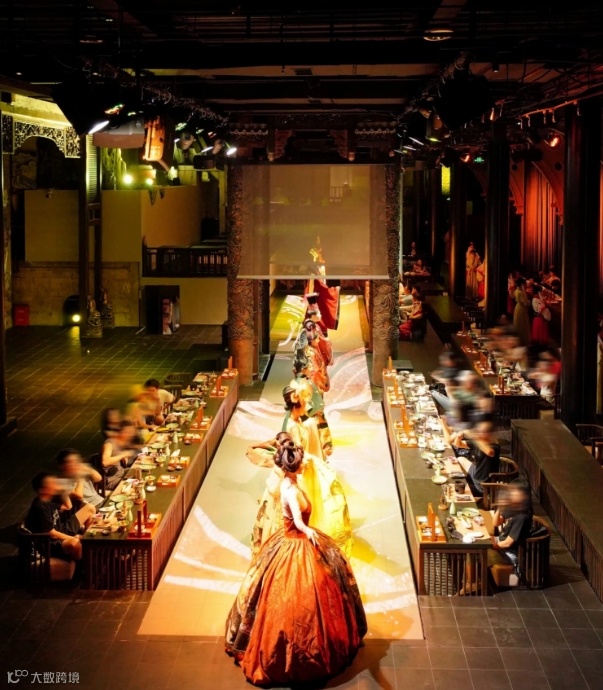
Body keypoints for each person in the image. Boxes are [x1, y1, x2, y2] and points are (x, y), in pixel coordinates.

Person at [225, 441, 367, 687]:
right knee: (295, 597)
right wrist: (309, 532)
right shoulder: (289, 490)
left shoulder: (292, 482)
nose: (304, 464)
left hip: (298, 539)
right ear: (293, 467)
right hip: (296, 542)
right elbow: (298, 521)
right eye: (301, 462)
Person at [283, 380, 353, 557]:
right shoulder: (294, 427)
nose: (308, 405)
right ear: (298, 403)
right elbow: (299, 453)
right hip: (305, 470)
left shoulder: (298, 422)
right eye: (305, 401)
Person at [25, 471, 93, 562]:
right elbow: (52, 534)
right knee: (76, 543)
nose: (55, 485)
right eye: (51, 484)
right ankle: (81, 564)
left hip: (61, 530)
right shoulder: (40, 506)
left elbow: (68, 506)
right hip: (50, 542)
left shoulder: (49, 498)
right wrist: (74, 538)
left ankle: (88, 547)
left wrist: (63, 491)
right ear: (43, 490)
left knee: (90, 508)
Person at [246, 431, 293, 558]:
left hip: (275, 497)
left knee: (269, 526)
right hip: (285, 497)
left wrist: (254, 446)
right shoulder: (292, 458)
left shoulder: (277, 459)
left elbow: (254, 453)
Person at [490, 482, 534, 584]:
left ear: (523, 497)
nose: (511, 494)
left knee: (477, 552)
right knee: (474, 544)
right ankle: (472, 581)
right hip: (501, 543)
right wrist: (500, 507)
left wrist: (490, 546)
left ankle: (474, 583)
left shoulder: (522, 516)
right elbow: (495, 523)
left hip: (509, 553)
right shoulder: (514, 508)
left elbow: (507, 543)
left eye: (515, 492)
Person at [456, 419, 500, 497]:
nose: (480, 433)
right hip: (476, 474)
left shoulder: (495, 446)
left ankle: (470, 488)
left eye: (483, 432)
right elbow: (458, 444)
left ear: (490, 434)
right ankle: (467, 481)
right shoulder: (479, 442)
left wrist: (475, 437)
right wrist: (458, 437)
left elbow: (489, 452)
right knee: (460, 459)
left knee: (456, 489)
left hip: (482, 486)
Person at [101, 419, 140, 491]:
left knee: (140, 473)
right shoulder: (109, 443)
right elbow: (105, 461)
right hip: (111, 481)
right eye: (127, 432)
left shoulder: (121, 442)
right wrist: (122, 455)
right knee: (137, 484)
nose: (130, 435)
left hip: (122, 474)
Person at [512, 277, 531, 346]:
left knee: (518, 324)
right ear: (522, 284)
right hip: (522, 309)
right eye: (525, 284)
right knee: (523, 325)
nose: (526, 285)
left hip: (518, 307)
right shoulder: (521, 293)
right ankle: (523, 341)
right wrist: (529, 301)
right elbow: (526, 303)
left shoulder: (516, 290)